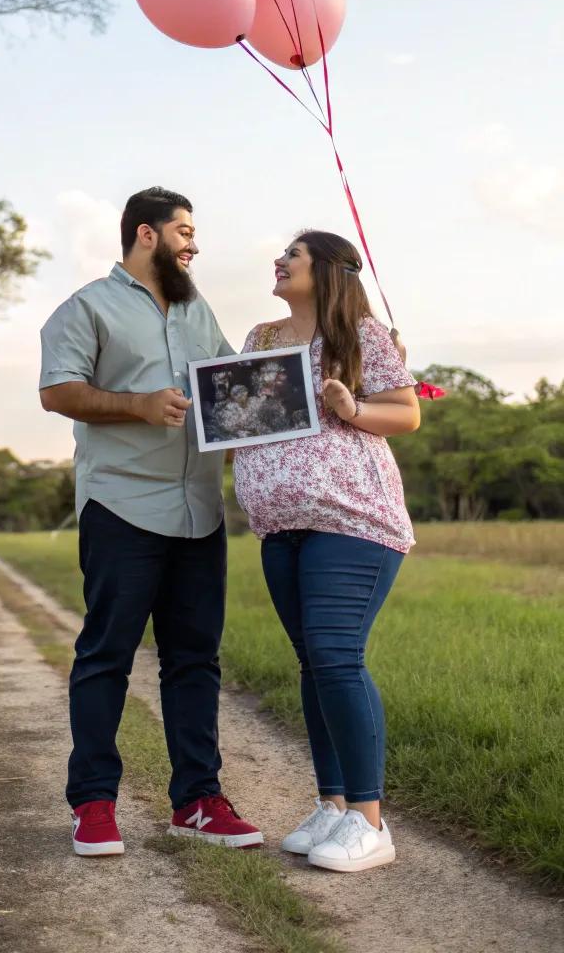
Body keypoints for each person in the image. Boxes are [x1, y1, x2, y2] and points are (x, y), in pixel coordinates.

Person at [39, 187, 262, 858]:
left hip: (198, 506)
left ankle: (197, 799)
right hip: (121, 505)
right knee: (107, 653)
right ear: (146, 234)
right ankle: (94, 805)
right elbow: (58, 391)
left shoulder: (198, 308)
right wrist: (137, 406)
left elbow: (235, 386)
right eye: (184, 231)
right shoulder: (86, 307)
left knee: (195, 659)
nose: (193, 245)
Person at [235, 230, 420, 874]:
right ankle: (335, 804)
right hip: (279, 524)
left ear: (330, 270)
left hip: (352, 519)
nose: (279, 261)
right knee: (313, 663)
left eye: (294, 254)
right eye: (280, 255)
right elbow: (242, 412)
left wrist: (353, 405)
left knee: (337, 656)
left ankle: (371, 823)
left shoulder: (362, 335)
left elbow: (406, 414)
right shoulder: (260, 338)